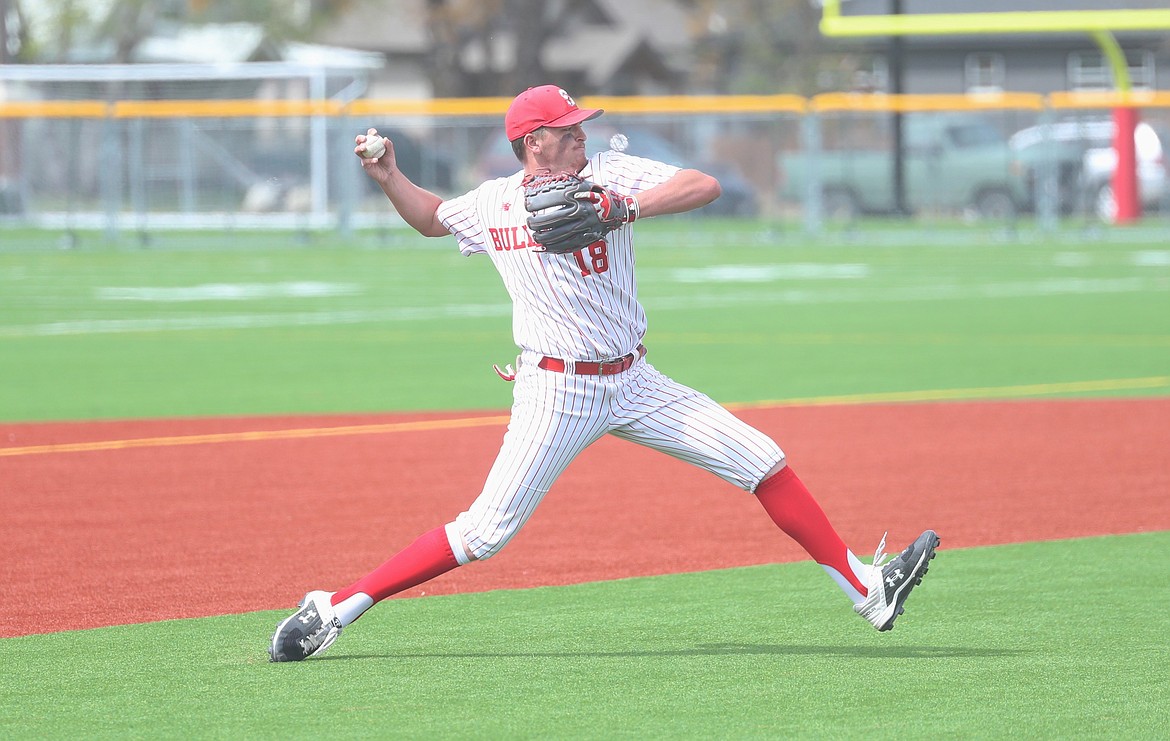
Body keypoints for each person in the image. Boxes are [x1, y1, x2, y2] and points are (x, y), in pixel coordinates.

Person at [268, 85, 939, 662]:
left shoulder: (611, 175)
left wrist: (629, 207)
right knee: (484, 532)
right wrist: (388, 175)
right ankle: (334, 608)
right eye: (569, 130)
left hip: (635, 380)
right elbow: (433, 219)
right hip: (557, 389)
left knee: (761, 459)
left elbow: (703, 185)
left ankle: (867, 589)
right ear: (534, 143)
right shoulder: (497, 202)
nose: (582, 135)